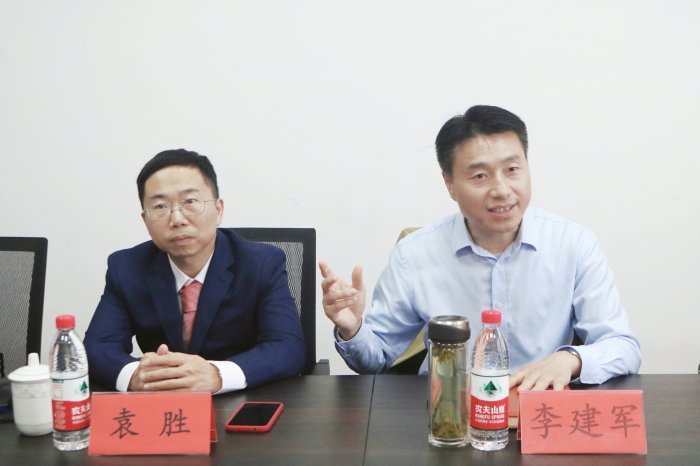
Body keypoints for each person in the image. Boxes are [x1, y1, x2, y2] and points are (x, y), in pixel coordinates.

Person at [320, 105, 641, 390]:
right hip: (449, 412)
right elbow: (375, 360)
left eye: (512, 170)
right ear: (450, 184)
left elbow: (623, 347)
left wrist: (570, 359)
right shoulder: (414, 255)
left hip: (539, 410)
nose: (501, 189)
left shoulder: (573, 244)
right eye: (480, 175)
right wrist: (352, 328)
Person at [85, 149, 305, 393]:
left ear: (218, 210)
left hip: (242, 402)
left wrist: (217, 375)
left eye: (190, 202)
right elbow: (98, 347)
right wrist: (137, 376)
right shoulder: (127, 267)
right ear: (145, 220)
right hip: (164, 405)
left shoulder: (261, 263)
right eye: (160, 206)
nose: (177, 219)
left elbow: (287, 347)